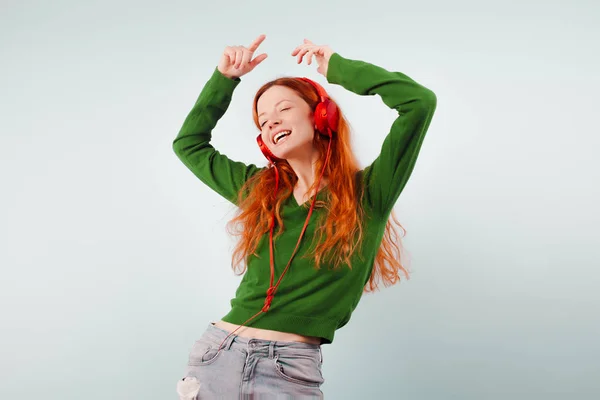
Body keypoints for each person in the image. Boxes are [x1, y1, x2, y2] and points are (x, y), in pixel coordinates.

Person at [172, 34, 437, 399]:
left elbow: (419, 103)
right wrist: (225, 79)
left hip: (290, 366)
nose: (270, 123)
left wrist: (340, 69)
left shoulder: (369, 193)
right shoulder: (258, 188)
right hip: (219, 354)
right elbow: (188, 144)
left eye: (282, 109)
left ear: (321, 115)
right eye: (262, 120)